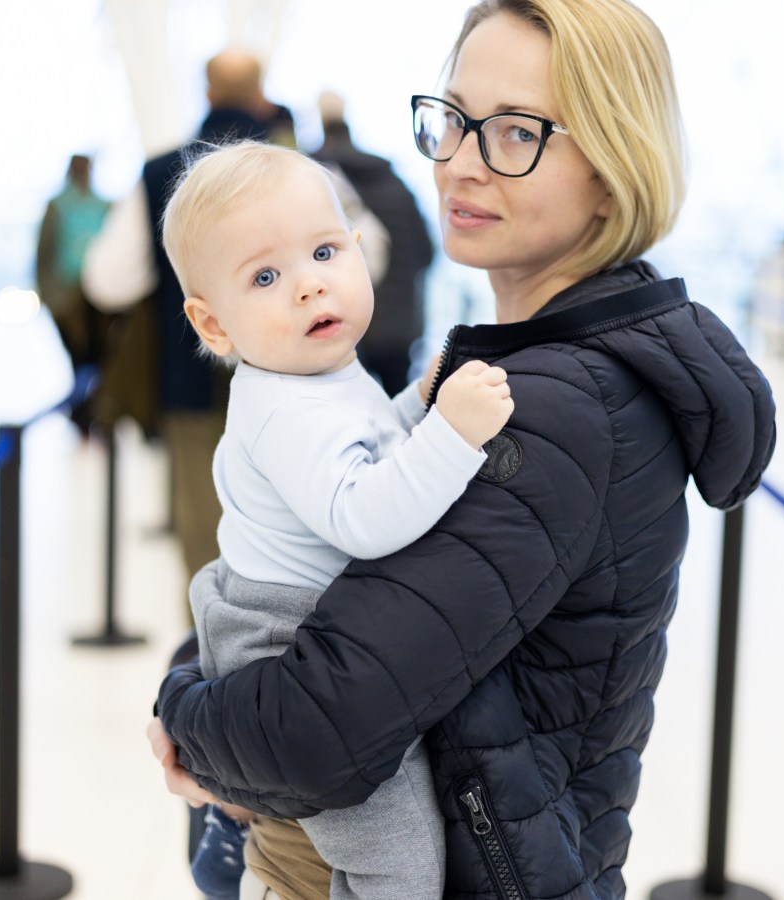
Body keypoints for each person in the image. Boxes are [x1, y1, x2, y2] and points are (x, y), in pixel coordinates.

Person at [150, 2, 777, 897]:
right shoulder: (523, 369)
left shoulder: (560, 409)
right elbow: (348, 604)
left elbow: (320, 729)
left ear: (612, 169)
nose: (461, 161)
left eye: (516, 132)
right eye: (452, 120)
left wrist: (182, 713)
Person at [163, 139, 512, 899]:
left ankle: (237, 829)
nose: (307, 287)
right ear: (213, 324)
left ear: (360, 252)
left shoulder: (315, 374)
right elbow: (362, 515)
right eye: (264, 275)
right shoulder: (282, 407)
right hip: (282, 647)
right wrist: (451, 432)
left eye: (324, 251)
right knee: (399, 860)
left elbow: (361, 447)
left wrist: (416, 407)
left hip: (302, 632)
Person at [82, 49, 387, 583]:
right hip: (317, 377)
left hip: (192, 385)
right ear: (263, 92)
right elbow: (374, 254)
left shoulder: (159, 173)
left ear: (206, 94)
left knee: (210, 543)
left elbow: (108, 280)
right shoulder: (308, 171)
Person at [313, 91, 435, 395]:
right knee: (400, 411)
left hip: (340, 327)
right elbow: (426, 252)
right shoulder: (394, 183)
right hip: (399, 326)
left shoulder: (316, 183)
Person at [35, 153, 111, 435]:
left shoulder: (103, 205)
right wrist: (48, 295)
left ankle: (92, 416)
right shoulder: (57, 206)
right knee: (79, 358)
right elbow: (44, 253)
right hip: (67, 297)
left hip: (99, 297)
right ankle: (82, 418)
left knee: (96, 359)